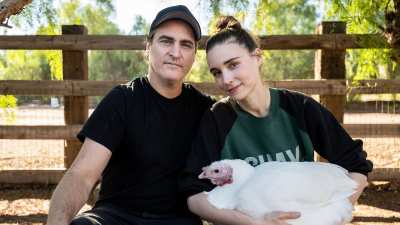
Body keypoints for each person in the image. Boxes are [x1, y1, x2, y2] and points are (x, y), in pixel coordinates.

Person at [179, 16, 373, 225]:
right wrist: (256, 224)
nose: (226, 79)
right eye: (217, 72)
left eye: (233, 64)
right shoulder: (217, 119)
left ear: (258, 57)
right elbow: (193, 195)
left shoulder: (300, 108)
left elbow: (357, 167)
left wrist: (329, 214)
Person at [46, 5, 215, 225]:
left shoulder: (205, 110)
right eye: (166, 41)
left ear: (194, 55)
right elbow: (82, 175)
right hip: (116, 216)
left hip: (178, 219)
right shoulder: (122, 100)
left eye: (186, 45)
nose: (175, 52)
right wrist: (57, 221)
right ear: (148, 47)